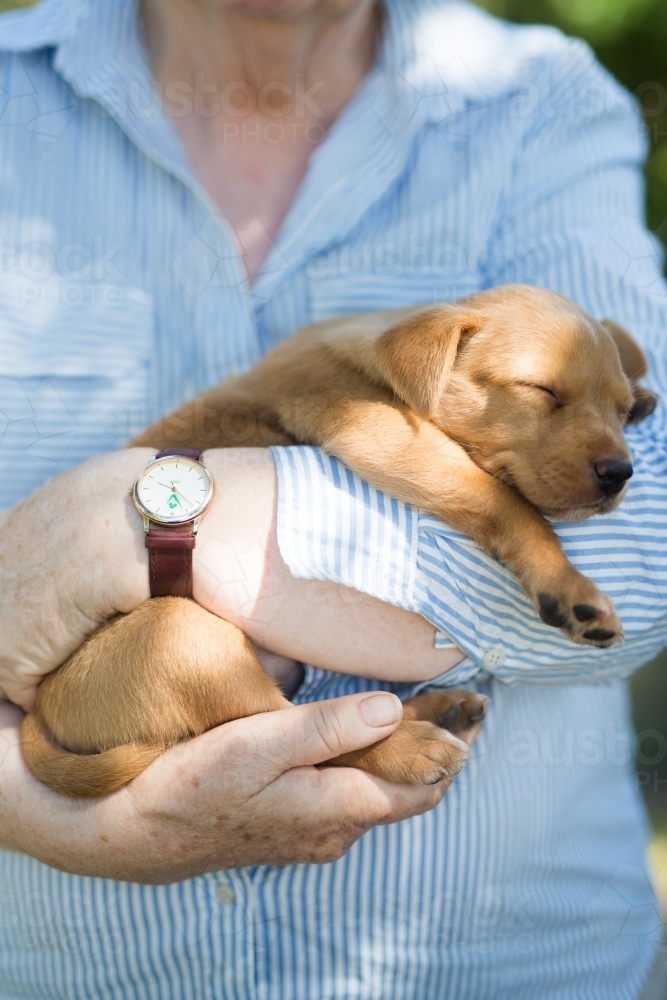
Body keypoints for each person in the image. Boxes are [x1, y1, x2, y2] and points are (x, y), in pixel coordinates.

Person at [0, 0, 666, 997]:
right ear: (424, 362)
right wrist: (24, 808)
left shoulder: (540, 105)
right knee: (186, 649)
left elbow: (645, 551)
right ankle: (367, 734)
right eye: (542, 398)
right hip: (66, 965)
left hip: (519, 968)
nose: (604, 446)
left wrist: (145, 520)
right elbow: (387, 445)